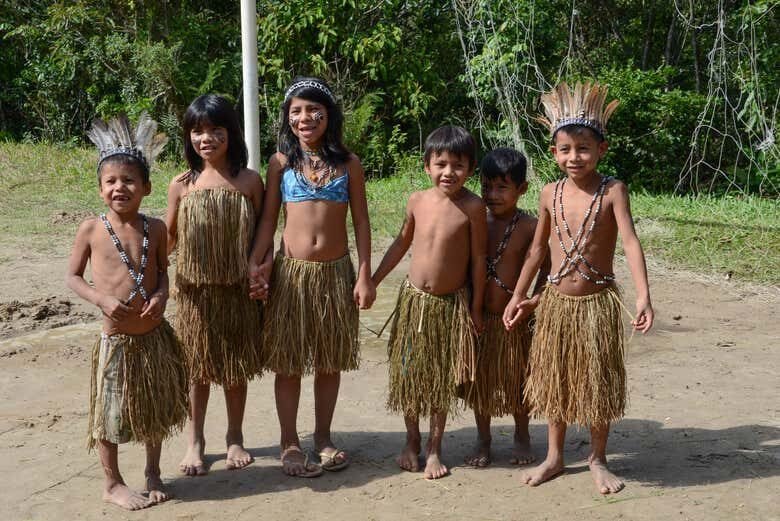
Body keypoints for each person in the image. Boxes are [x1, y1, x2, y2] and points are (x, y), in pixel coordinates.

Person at [503, 81, 654, 494]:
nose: (575, 157)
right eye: (565, 149)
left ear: (602, 150)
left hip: (596, 305)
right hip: (555, 305)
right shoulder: (549, 192)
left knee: (596, 384)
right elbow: (536, 252)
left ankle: (597, 458)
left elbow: (629, 241)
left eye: (584, 148)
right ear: (553, 153)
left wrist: (643, 295)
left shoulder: (613, 191)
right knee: (557, 382)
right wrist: (519, 295)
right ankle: (554, 456)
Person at [248, 77, 375, 478]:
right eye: (297, 111)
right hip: (292, 275)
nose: (306, 117)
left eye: (314, 110)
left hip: (336, 274)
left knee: (329, 360)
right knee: (288, 362)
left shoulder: (348, 163)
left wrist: (365, 274)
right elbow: (269, 219)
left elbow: (362, 222)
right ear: (287, 119)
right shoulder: (280, 163)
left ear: (329, 115)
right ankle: (289, 442)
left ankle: (322, 437)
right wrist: (257, 263)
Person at [67, 114, 188, 510]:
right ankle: (112, 482)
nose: (121, 187)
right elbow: (72, 277)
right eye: (111, 181)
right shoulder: (91, 229)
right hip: (115, 341)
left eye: (129, 180)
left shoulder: (156, 229)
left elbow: (164, 276)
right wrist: (101, 299)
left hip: (152, 338)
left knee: (152, 409)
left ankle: (153, 471)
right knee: (110, 414)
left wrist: (161, 296)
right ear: (101, 188)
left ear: (147, 187)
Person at [372, 125, 487, 479]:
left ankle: (435, 448)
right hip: (414, 303)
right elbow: (401, 243)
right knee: (409, 374)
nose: (448, 172)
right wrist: (372, 280)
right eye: (440, 164)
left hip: (449, 307)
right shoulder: (417, 201)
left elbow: (479, 260)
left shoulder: (473, 207)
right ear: (427, 166)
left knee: (439, 379)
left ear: (470, 170)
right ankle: (411, 440)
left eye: (458, 165)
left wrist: (476, 308)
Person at [166, 94, 264, 476]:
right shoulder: (181, 184)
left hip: (237, 291)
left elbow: (262, 235)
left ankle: (235, 436)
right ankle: (196, 440)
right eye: (197, 131)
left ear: (231, 133)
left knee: (235, 367)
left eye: (215, 130)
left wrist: (261, 271)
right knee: (197, 369)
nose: (206, 138)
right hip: (195, 294)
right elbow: (168, 237)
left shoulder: (250, 182)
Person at [461, 147, 549, 468]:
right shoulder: (475, 219)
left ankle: (522, 435)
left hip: (515, 321)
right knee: (479, 381)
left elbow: (547, 270)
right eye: (486, 186)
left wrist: (533, 301)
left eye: (502, 187)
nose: (492, 195)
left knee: (518, 379)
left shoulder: (530, 226)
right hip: (479, 317)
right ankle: (483, 438)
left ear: (521, 189)